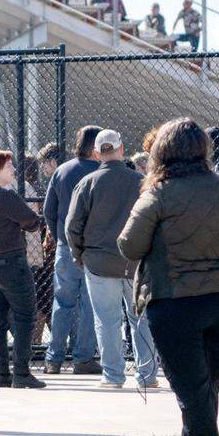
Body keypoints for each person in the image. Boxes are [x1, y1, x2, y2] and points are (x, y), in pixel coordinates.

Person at [119, 119, 219, 436]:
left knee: (191, 390)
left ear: (163, 151)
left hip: (176, 301)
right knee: (207, 386)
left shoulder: (158, 193)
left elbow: (129, 246)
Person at [65, 130, 158, 390]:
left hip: (98, 261)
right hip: (135, 261)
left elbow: (72, 226)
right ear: (121, 149)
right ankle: (147, 375)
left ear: (96, 153)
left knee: (106, 320)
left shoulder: (87, 183)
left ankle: (113, 376)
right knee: (140, 318)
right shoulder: (140, 181)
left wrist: (79, 254)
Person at [0, 150, 47, 391]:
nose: (14, 170)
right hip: (12, 263)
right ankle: (22, 372)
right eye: (8, 166)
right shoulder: (6, 197)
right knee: (26, 316)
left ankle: (1, 373)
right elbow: (33, 223)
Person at [42, 126, 104, 375]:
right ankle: (83, 358)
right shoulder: (101, 172)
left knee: (63, 301)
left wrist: (57, 233)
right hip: (94, 246)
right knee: (90, 305)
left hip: (65, 245)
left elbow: (49, 210)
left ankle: (53, 358)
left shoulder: (62, 170)